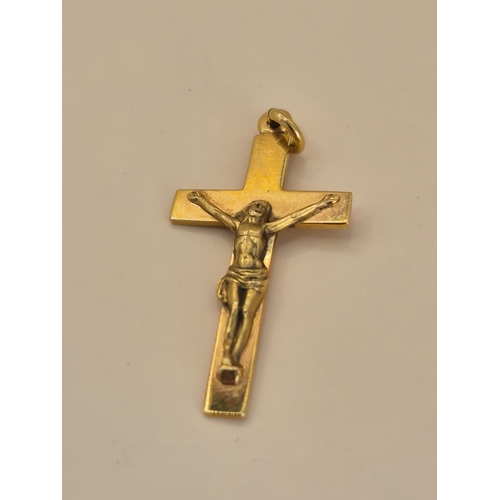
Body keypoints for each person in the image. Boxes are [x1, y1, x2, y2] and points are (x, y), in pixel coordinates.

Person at [187, 191, 340, 384]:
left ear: (266, 214)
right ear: (248, 209)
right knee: (234, 310)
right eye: (256, 204)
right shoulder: (238, 225)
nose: (259, 206)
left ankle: (235, 357)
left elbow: (294, 217)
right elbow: (217, 213)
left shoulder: (267, 228)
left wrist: (321, 205)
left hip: (256, 276)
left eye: (264, 207)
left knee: (247, 313)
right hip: (235, 273)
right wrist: (200, 201)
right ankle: (226, 357)